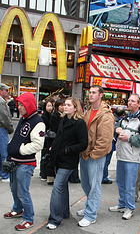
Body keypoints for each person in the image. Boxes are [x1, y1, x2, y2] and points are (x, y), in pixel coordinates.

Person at [3, 92, 45, 231]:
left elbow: (38, 145)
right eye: (18, 104)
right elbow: (17, 137)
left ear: (29, 104)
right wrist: (11, 146)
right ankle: (18, 209)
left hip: (25, 163)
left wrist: (19, 149)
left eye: (22, 105)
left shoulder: (38, 122)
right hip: (15, 161)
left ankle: (28, 218)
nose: (19, 107)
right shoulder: (24, 119)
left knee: (22, 192)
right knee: (14, 189)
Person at [47, 97, 88, 230]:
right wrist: (54, 148)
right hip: (57, 158)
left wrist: (66, 150)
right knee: (62, 187)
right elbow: (59, 138)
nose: (65, 107)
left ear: (75, 108)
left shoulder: (79, 123)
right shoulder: (62, 120)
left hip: (68, 161)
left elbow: (83, 144)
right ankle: (64, 213)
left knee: (57, 188)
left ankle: (55, 219)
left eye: (69, 105)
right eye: (65, 105)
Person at [77, 85, 115, 227]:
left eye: (94, 93)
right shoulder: (88, 111)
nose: (90, 95)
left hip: (95, 156)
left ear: (100, 95)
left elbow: (105, 140)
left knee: (94, 187)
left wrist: (93, 155)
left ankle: (91, 215)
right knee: (86, 184)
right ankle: (89, 207)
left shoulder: (105, 115)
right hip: (85, 154)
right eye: (89, 92)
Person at [109, 94, 140, 220]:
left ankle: (130, 207)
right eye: (129, 101)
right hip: (122, 155)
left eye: (133, 101)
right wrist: (116, 130)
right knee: (120, 181)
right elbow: (118, 128)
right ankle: (122, 204)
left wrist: (130, 138)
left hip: (133, 157)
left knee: (130, 184)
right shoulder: (125, 118)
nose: (130, 103)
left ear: (139, 104)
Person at [102, 106, 126, 184]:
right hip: (110, 143)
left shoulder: (108, 119)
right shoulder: (117, 121)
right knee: (106, 161)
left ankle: (103, 176)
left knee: (104, 161)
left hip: (105, 142)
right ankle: (104, 177)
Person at [0, 83, 14, 182]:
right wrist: (10, 127)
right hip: (2, 128)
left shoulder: (3, 101)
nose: (8, 92)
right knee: (4, 152)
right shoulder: (1, 102)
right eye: (6, 90)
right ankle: (5, 175)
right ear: (1, 91)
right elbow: (4, 117)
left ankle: (2, 173)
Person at [40, 100, 53, 182]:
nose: (50, 107)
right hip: (45, 138)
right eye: (48, 106)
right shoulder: (43, 116)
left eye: (51, 106)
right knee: (44, 155)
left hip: (50, 137)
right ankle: (43, 173)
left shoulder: (51, 115)